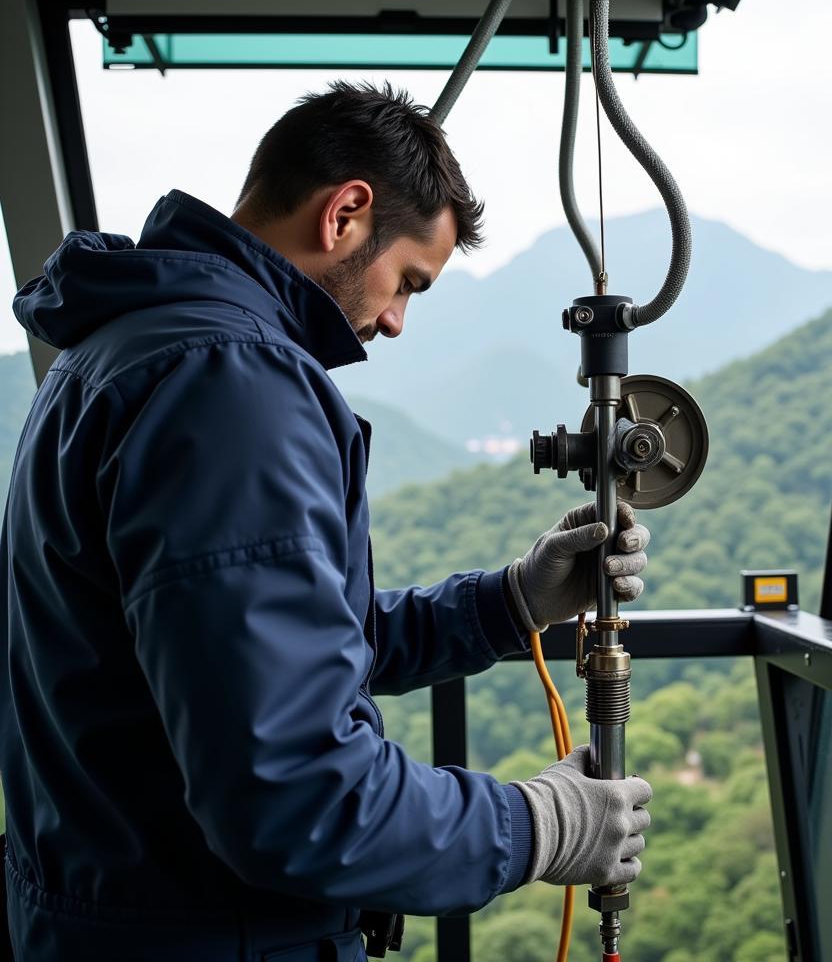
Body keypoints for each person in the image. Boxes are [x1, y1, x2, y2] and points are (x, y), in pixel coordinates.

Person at [0, 82, 652, 961]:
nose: (392, 320)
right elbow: (295, 796)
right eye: (407, 282)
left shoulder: (120, 345)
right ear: (347, 212)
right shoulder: (228, 385)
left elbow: (255, 652)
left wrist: (509, 603)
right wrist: (536, 825)